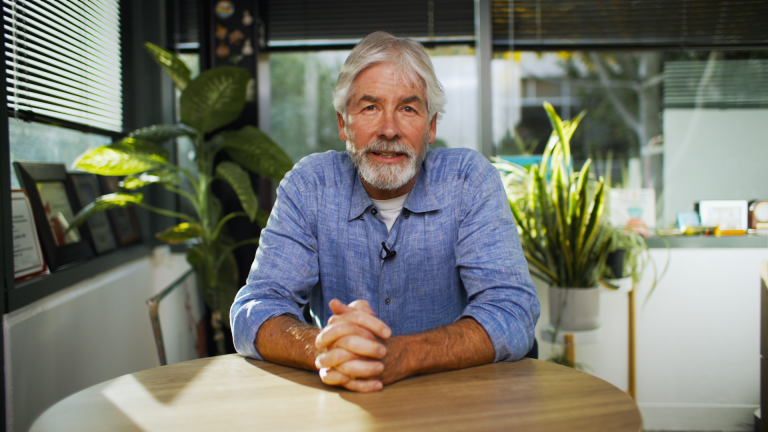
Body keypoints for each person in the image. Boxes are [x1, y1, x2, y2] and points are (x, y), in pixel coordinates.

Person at [230, 31, 540, 393]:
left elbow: (512, 310)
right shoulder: (309, 185)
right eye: (370, 107)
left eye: (408, 108)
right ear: (343, 124)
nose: (389, 130)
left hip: (451, 402)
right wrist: (325, 348)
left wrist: (402, 355)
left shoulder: (469, 181)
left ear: (431, 126)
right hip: (342, 400)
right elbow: (256, 307)